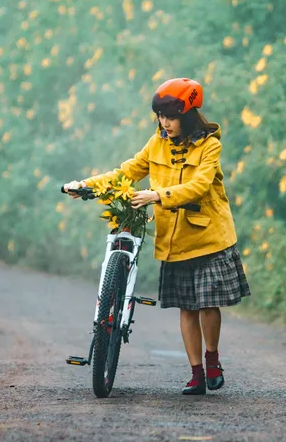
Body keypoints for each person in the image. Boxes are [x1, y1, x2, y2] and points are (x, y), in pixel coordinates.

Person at [63, 77, 251, 395]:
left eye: (171, 117)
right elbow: (126, 172)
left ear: (188, 116)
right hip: (175, 239)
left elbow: (200, 186)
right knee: (187, 307)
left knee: (207, 305)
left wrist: (156, 195)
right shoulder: (157, 144)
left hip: (208, 236)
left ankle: (212, 359)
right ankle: (195, 374)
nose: (165, 123)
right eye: (161, 117)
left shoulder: (209, 145)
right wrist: (86, 186)